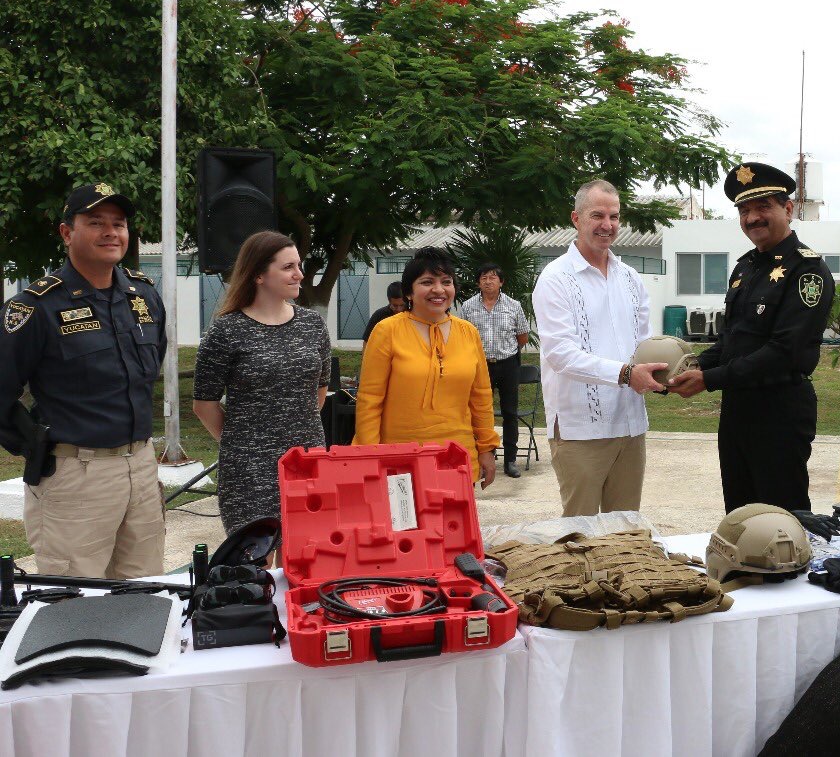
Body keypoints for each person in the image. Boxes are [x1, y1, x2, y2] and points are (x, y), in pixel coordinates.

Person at [0, 183, 166, 578]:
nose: (111, 232)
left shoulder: (142, 296)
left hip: (141, 469)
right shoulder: (35, 307)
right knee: (75, 602)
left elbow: (150, 368)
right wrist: (34, 444)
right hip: (76, 476)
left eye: (119, 223)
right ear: (66, 232)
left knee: (144, 594)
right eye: (96, 222)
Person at [668, 163, 835, 513]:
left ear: (788, 209)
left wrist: (707, 379)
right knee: (740, 512)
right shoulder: (745, 267)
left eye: (763, 207)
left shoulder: (807, 271)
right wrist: (688, 367)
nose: (753, 218)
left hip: (780, 410)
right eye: (745, 210)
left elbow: (784, 351)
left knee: (781, 517)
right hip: (737, 409)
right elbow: (733, 341)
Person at [532, 179, 666, 517]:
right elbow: (560, 354)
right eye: (597, 215)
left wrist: (665, 371)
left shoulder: (631, 278)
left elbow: (643, 345)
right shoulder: (555, 278)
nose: (607, 225)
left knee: (625, 532)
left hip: (630, 424)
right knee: (581, 537)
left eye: (615, 216)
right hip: (581, 429)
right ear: (576, 219)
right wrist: (625, 374)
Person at [193, 231, 331, 538]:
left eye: (299, 265)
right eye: (288, 267)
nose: (300, 274)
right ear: (258, 274)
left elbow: (318, 393)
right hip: (248, 471)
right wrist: (240, 444)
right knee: (254, 567)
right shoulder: (226, 331)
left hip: (307, 461)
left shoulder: (313, 325)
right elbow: (204, 405)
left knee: (305, 559)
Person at [355, 248, 500, 487]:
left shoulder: (468, 333)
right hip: (398, 461)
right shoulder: (387, 331)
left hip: (456, 458)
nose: (439, 290)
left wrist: (486, 448)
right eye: (427, 282)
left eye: (446, 282)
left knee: (454, 523)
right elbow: (369, 400)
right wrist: (370, 456)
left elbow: (481, 398)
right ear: (409, 292)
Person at [458, 263, 530, 478]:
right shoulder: (468, 307)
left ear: (501, 281)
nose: (488, 281)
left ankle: (510, 461)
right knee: (479, 411)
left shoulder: (514, 305)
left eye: (492, 277)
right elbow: (462, 337)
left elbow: (523, 336)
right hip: (479, 366)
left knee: (510, 412)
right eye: (483, 278)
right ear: (478, 282)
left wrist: (507, 351)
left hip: (508, 363)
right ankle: (482, 456)